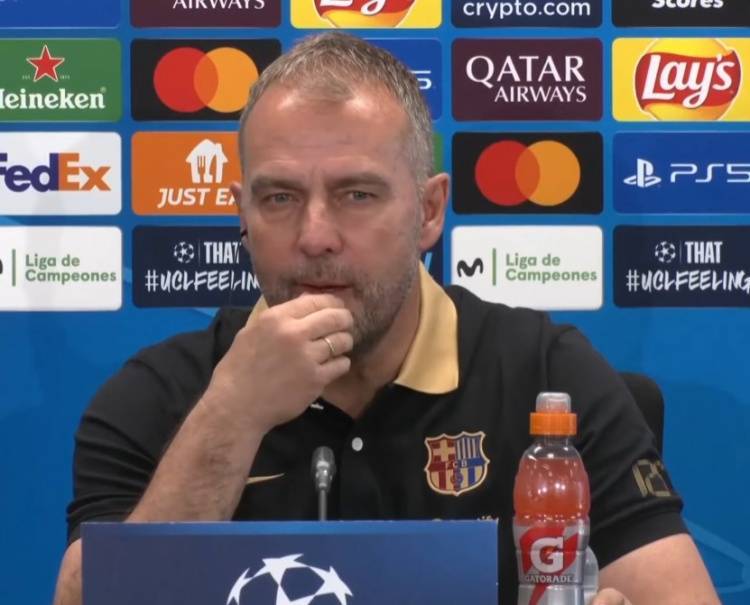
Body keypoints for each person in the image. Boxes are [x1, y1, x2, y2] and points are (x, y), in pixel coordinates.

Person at [53, 32, 719, 605]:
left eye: (357, 194)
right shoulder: (161, 394)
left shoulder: (546, 374)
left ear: (428, 212)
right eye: (280, 197)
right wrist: (231, 413)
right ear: (242, 215)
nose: (315, 236)